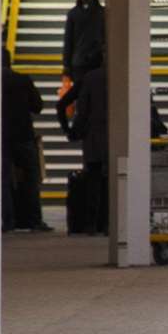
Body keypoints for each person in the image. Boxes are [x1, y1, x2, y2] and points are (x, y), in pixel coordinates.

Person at [57, 61, 109, 234]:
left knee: (93, 181)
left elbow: (61, 104)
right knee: (114, 180)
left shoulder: (89, 78)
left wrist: (69, 130)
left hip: (93, 139)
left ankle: (91, 225)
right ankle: (109, 224)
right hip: (117, 137)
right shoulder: (124, 75)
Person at [2, 49, 48, 232]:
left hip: (1, 137)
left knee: (3, 179)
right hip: (23, 136)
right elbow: (38, 106)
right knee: (30, 178)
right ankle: (33, 220)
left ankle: (7, 221)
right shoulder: (23, 80)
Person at [62, 0, 105, 83]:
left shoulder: (102, 13)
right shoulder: (101, 12)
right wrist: (66, 65)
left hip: (92, 61)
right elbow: (68, 40)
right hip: (83, 62)